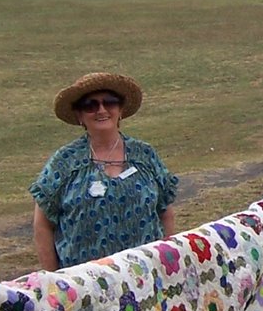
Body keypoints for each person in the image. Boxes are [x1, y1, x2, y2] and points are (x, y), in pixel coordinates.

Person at [30, 72, 178, 270]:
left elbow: (166, 212)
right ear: (79, 115)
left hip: (145, 275)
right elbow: (42, 225)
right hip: (85, 281)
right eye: (90, 105)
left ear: (120, 110)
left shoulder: (145, 155)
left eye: (110, 102)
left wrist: (167, 263)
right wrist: (54, 280)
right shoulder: (64, 162)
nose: (101, 110)